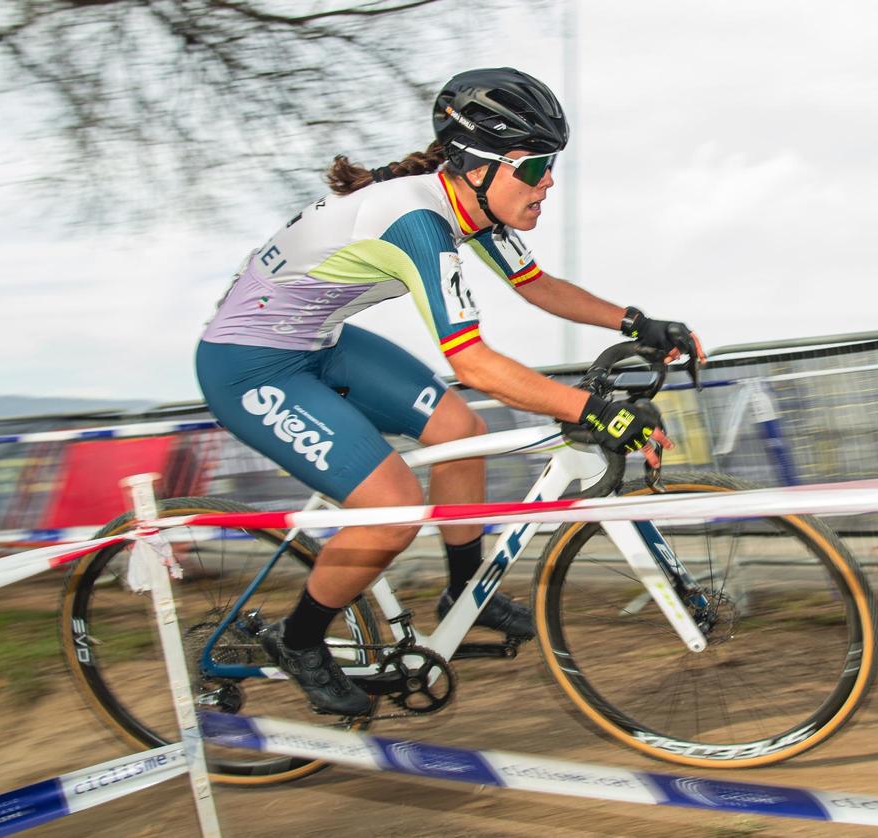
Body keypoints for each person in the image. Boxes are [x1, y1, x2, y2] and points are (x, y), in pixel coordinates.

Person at [195, 67, 702, 716]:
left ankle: (467, 596)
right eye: (536, 165)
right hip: (250, 367)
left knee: (461, 434)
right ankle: (299, 640)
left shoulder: (469, 202)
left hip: (318, 342)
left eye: (553, 164)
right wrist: (592, 411)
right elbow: (477, 363)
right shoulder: (418, 221)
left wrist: (637, 322)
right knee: (394, 508)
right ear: (479, 165)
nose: (548, 180)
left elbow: (536, 285)